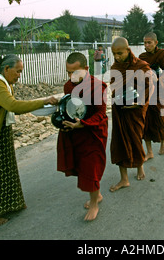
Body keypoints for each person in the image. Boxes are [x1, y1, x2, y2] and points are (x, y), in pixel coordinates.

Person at [0, 54, 54, 226]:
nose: (19, 75)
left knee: (5, 170)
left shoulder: (5, 84)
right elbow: (13, 106)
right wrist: (43, 102)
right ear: (6, 69)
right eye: (18, 71)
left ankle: (9, 204)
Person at [52, 52, 108, 221]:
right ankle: (96, 195)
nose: (71, 76)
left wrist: (84, 124)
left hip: (92, 131)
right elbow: (70, 108)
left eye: (75, 72)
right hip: (76, 131)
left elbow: (101, 114)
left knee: (91, 167)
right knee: (82, 167)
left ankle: (94, 204)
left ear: (86, 69)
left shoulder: (98, 86)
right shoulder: (68, 87)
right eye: (68, 72)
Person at [109, 37, 152, 192]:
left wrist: (138, 102)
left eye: (120, 53)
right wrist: (118, 97)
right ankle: (124, 179)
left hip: (135, 110)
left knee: (135, 138)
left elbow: (149, 87)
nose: (117, 57)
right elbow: (114, 86)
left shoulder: (141, 66)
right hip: (120, 110)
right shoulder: (115, 66)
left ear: (128, 50)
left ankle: (140, 166)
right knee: (119, 142)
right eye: (114, 54)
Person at [139, 32, 164, 159]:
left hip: (159, 92)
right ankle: (149, 152)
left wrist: (158, 79)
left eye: (149, 43)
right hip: (146, 92)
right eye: (145, 43)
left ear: (156, 42)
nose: (147, 45)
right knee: (145, 122)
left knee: (159, 119)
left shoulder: (163, 54)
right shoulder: (142, 56)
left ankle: (163, 142)